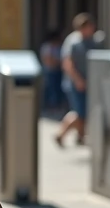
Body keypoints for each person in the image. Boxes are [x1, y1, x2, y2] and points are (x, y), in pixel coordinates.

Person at [55, 13, 100, 147]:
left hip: (87, 83)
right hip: (75, 83)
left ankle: (80, 136)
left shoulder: (93, 40)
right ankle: (60, 134)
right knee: (79, 112)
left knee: (84, 111)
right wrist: (77, 79)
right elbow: (67, 62)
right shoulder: (73, 41)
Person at [39, 29, 63, 112]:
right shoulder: (47, 47)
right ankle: (50, 105)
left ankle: (56, 104)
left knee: (57, 88)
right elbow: (48, 59)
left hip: (57, 70)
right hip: (49, 70)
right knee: (50, 88)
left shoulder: (58, 46)